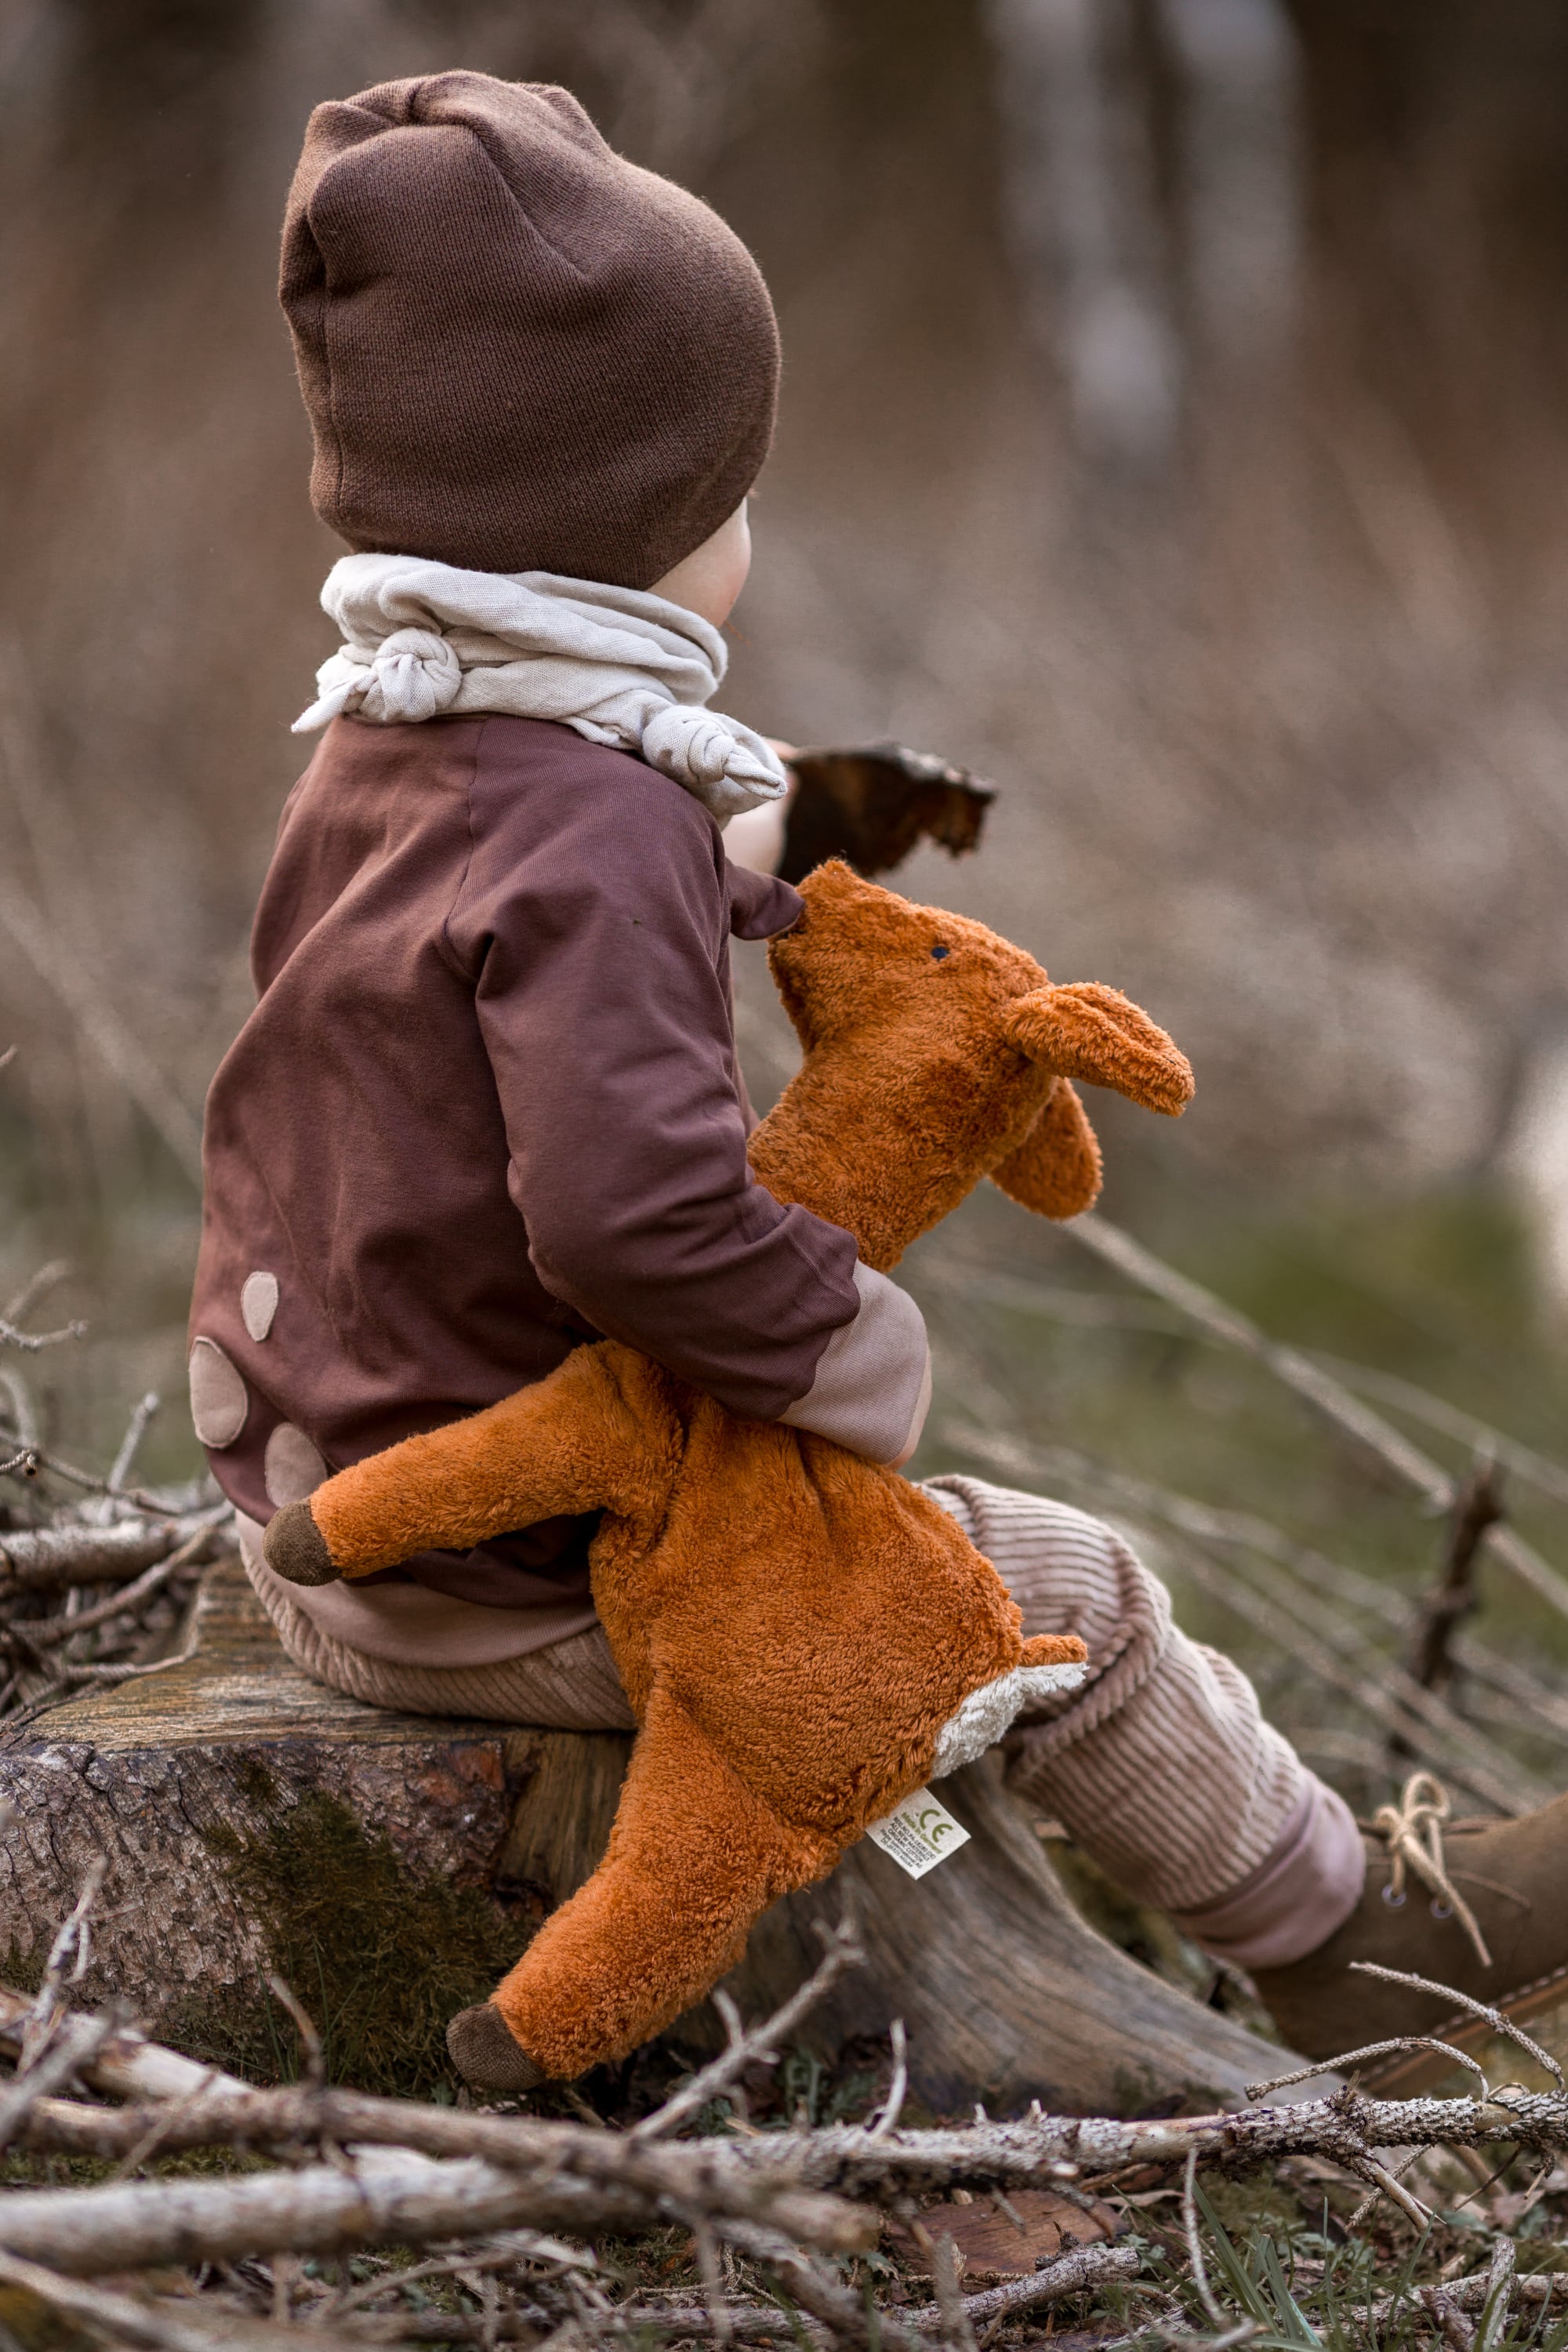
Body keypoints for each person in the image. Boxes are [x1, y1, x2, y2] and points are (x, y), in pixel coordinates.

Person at [189, 69, 1568, 2075]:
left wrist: (771, 834)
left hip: (327, 1496)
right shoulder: (594, 836)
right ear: (643, 532)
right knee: (1063, 1587)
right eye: (728, 499)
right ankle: (1351, 1943)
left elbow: (479, 965)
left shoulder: (388, 742)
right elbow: (628, 1210)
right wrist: (845, 1348)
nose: (747, 534)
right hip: (523, 1568)